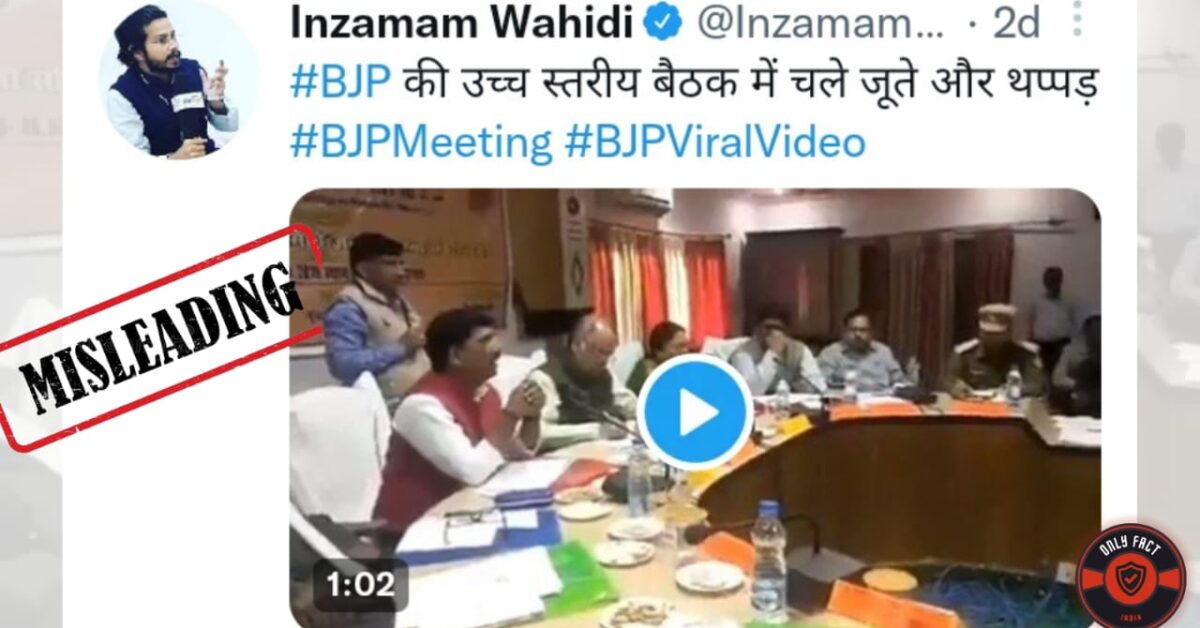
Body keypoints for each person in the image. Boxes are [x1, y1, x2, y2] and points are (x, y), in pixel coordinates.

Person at [373, 308, 544, 534]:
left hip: (471, 516)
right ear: (456, 355)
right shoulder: (421, 406)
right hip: (417, 530)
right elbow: (472, 473)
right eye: (485, 341)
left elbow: (513, 454)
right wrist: (511, 415)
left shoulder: (485, 392)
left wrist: (531, 416)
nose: (498, 349)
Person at [108, 5, 238, 158]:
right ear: (137, 52)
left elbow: (230, 126)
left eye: (173, 36)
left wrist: (216, 102)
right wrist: (175, 159)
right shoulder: (121, 96)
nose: (174, 45)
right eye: (162, 40)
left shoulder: (194, 70)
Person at [324, 233, 431, 404]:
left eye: (401, 264)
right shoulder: (348, 307)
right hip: (382, 408)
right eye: (390, 264)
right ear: (363, 269)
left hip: (417, 400)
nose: (401, 272)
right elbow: (344, 366)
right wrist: (400, 348)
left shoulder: (398, 300)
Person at [528, 314, 637, 451]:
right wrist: (596, 431)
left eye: (609, 354)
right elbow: (537, 433)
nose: (605, 360)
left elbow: (630, 404)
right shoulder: (545, 378)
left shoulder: (604, 374)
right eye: (600, 352)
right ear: (577, 346)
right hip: (563, 457)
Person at [945, 304, 1045, 399]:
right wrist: (955, 386)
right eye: (987, 333)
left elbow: (1037, 386)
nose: (992, 338)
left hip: (1012, 405)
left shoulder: (1026, 354)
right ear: (980, 332)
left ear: (1008, 333)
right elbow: (949, 380)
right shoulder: (964, 353)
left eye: (997, 334)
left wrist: (1015, 389)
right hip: (973, 403)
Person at [729, 306, 826, 395]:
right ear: (757, 329)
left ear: (787, 333)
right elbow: (750, 391)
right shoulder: (743, 353)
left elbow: (820, 387)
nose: (772, 334)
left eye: (777, 328)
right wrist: (772, 355)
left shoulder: (799, 350)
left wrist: (801, 383)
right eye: (767, 328)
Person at [817, 309, 906, 392]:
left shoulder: (883, 351)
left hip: (881, 398)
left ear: (871, 332)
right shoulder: (831, 353)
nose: (858, 334)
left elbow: (899, 381)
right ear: (844, 331)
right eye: (853, 330)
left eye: (863, 330)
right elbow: (821, 384)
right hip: (846, 398)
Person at [1029, 267, 1077, 377]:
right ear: (1045, 282)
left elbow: (1073, 324)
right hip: (1041, 345)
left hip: (1060, 346)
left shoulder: (1069, 302)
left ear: (1060, 281)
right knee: (1039, 375)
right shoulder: (1037, 302)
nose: (1052, 284)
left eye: (1055, 280)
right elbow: (1031, 321)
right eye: (1050, 280)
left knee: (1058, 376)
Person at [1052, 314, 1101, 416]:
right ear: (1086, 332)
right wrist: (1079, 386)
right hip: (1078, 404)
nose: (1097, 334)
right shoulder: (1071, 351)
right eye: (1094, 330)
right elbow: (1058, 379)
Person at [626, 321, 689, 395]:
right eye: (679, 346)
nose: (685, 351)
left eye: (686, 346)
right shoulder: (645, 370)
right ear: (658, 350)